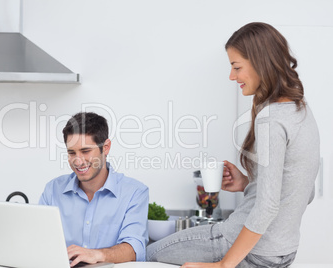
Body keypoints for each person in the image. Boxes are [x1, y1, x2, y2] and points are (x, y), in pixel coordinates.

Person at [146, 22, 320, 268]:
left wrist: (223, 265)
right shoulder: (300, 110)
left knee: (148, 253)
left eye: (236, 67)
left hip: (241, 244)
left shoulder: (271, 119)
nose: (231, 76)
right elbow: (305, 191)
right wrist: (249, 184)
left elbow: (268, 206)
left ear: (261, 62)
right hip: (282, 254)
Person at [39, 112, 149, 267]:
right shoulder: (53, 190)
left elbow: (134, 249)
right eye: (71, 153)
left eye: (85, 151)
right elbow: (38, 241)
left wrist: (97, 254)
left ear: (106, 147)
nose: (78, 161)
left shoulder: (135, 193)